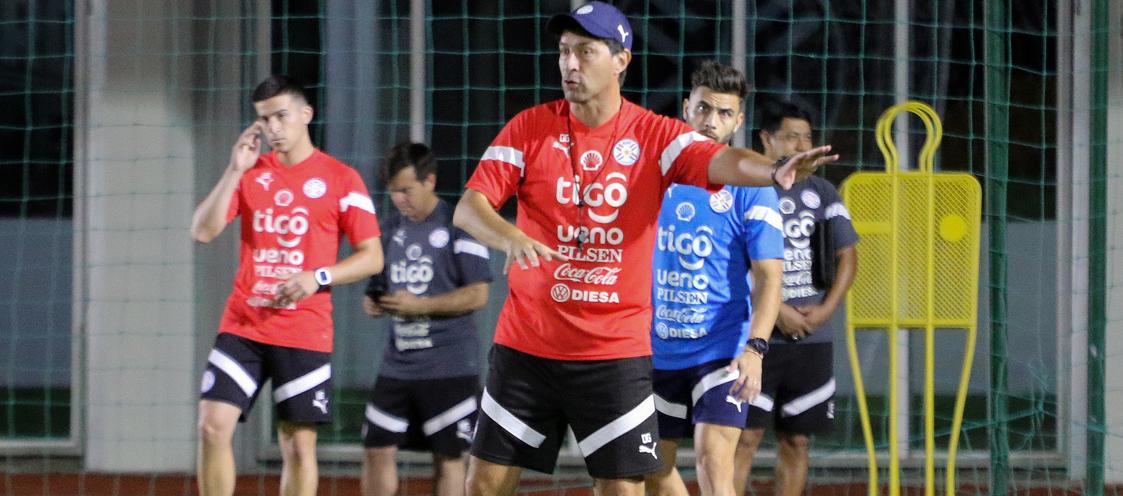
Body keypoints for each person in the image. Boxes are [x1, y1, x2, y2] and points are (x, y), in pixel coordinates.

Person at [452, 3, 837, 495]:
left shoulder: (654, 135)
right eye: (565, 52)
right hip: (527, 348)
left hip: (615, 353)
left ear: (620, 60)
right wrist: (509, 236)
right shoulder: (530, 127)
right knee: (482, 484)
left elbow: (722, 160)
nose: (571, 64)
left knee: (628, 487)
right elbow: (469, 207)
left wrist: (772, 171)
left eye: (585, 52)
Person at [189, 74, 383, 496]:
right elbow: (202, 231)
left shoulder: (341, 178)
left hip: (303, 331)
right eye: (264, 120)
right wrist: (233, 170)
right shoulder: (251, 173)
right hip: (243, 324)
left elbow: (373, 256)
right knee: (211, 427)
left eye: (281, 116)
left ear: (305, 114)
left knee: (296, 446)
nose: (273, 128)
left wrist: (319, 276)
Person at [645, 61, 784, 496]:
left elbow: (768, 277)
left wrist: (756, 349)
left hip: (721, 350)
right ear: (687, 108)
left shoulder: (750, 186)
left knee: (712, 462)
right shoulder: (654, 170)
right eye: (704, 108)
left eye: (725, 113)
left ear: (738, 120)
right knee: (649, 468)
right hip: (653, 346)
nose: (711, 121)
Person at [731, 101, 859, 496]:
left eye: (806, 137)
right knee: (745, 438)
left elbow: (848, 256)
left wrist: (825, 310)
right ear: (766, 140)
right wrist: (778, 312)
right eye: (791, 136)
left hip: (811, 341)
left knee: (797, 440)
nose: (801, 144)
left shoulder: (822, 192)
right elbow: (731, 260)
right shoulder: (745, 189)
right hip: (755, 339)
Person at [359, 142, 492, 496]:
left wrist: (422, 306)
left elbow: (478, 294)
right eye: (394, 191)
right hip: (397, 367)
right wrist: (373, 302)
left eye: (407, 190)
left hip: (448, 366)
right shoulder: (388, 230)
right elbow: (378, 285)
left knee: (448, 459)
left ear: (429, 180)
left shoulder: (460, 225)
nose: (400, 199)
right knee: (376, 449)